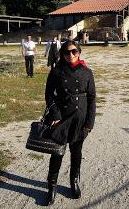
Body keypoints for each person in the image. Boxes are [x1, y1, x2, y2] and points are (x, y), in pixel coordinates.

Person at [44, 40, 96, 205]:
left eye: (74, 51)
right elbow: (49, 95)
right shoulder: (56, 72)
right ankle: (51, 187)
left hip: (79, 119)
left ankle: (74, 182)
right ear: (62, 54)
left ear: (79, 52)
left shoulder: (87, 72)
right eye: (67, 52)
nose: (71, 55)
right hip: (61, 118)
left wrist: (89, 123)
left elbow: (92, 98)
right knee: (56, 153)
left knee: (76, 153)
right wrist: (55, 114)